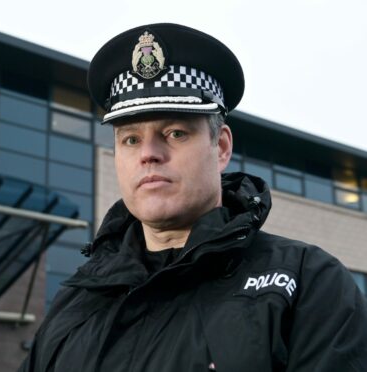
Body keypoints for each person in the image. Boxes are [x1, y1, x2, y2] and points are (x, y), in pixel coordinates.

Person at [19, 23, 367, 371]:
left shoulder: (307, 283)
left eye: (175, 132)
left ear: (221, 147)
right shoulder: (77, 301)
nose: (149, 154)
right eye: (131, 139)